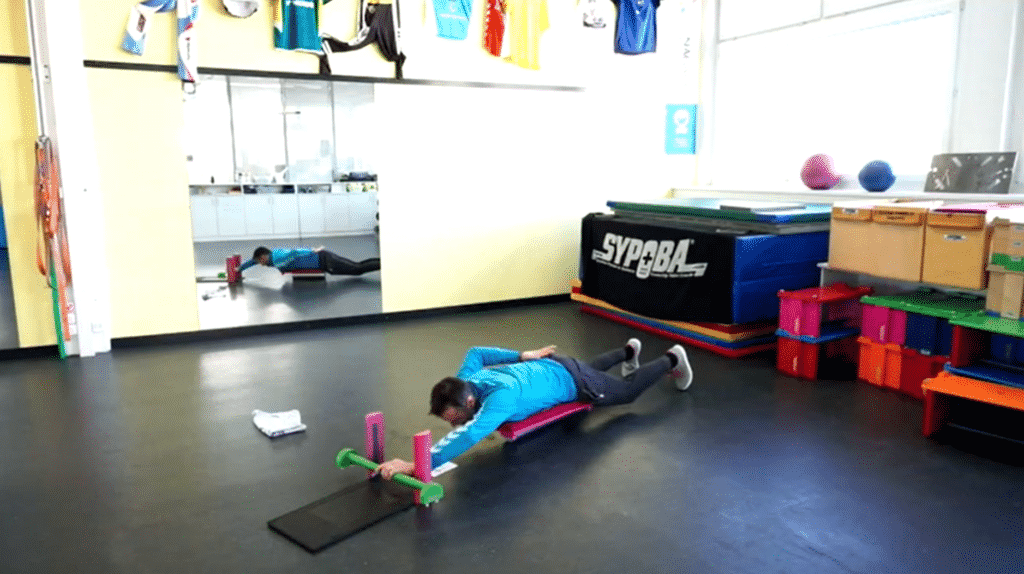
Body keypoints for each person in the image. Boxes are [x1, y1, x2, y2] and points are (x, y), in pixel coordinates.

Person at [374, 339, 692, 479]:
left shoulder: (500, 399)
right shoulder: (466, 380)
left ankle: (672, 358)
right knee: (590, 368)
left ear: (469, 402)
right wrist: (522, 355)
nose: (455, 425)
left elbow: (469, 435)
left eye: (455, 418)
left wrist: (416, 464)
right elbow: (476, 352)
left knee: (625, 392)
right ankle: (628, 351)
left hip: (574, 382)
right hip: (555, 366)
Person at [236, 246, 380, 276]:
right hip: (324, 260)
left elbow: (295, 252)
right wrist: (240, 268)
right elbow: (253, 261)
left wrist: (312, 250)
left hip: (325, 261)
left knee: (357, 269)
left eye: (260, 261)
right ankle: (383, 262)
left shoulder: (278, 259)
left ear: (263, 257)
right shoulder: (272, 255)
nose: (260, 264)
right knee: (357, 266)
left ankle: (383, 263)